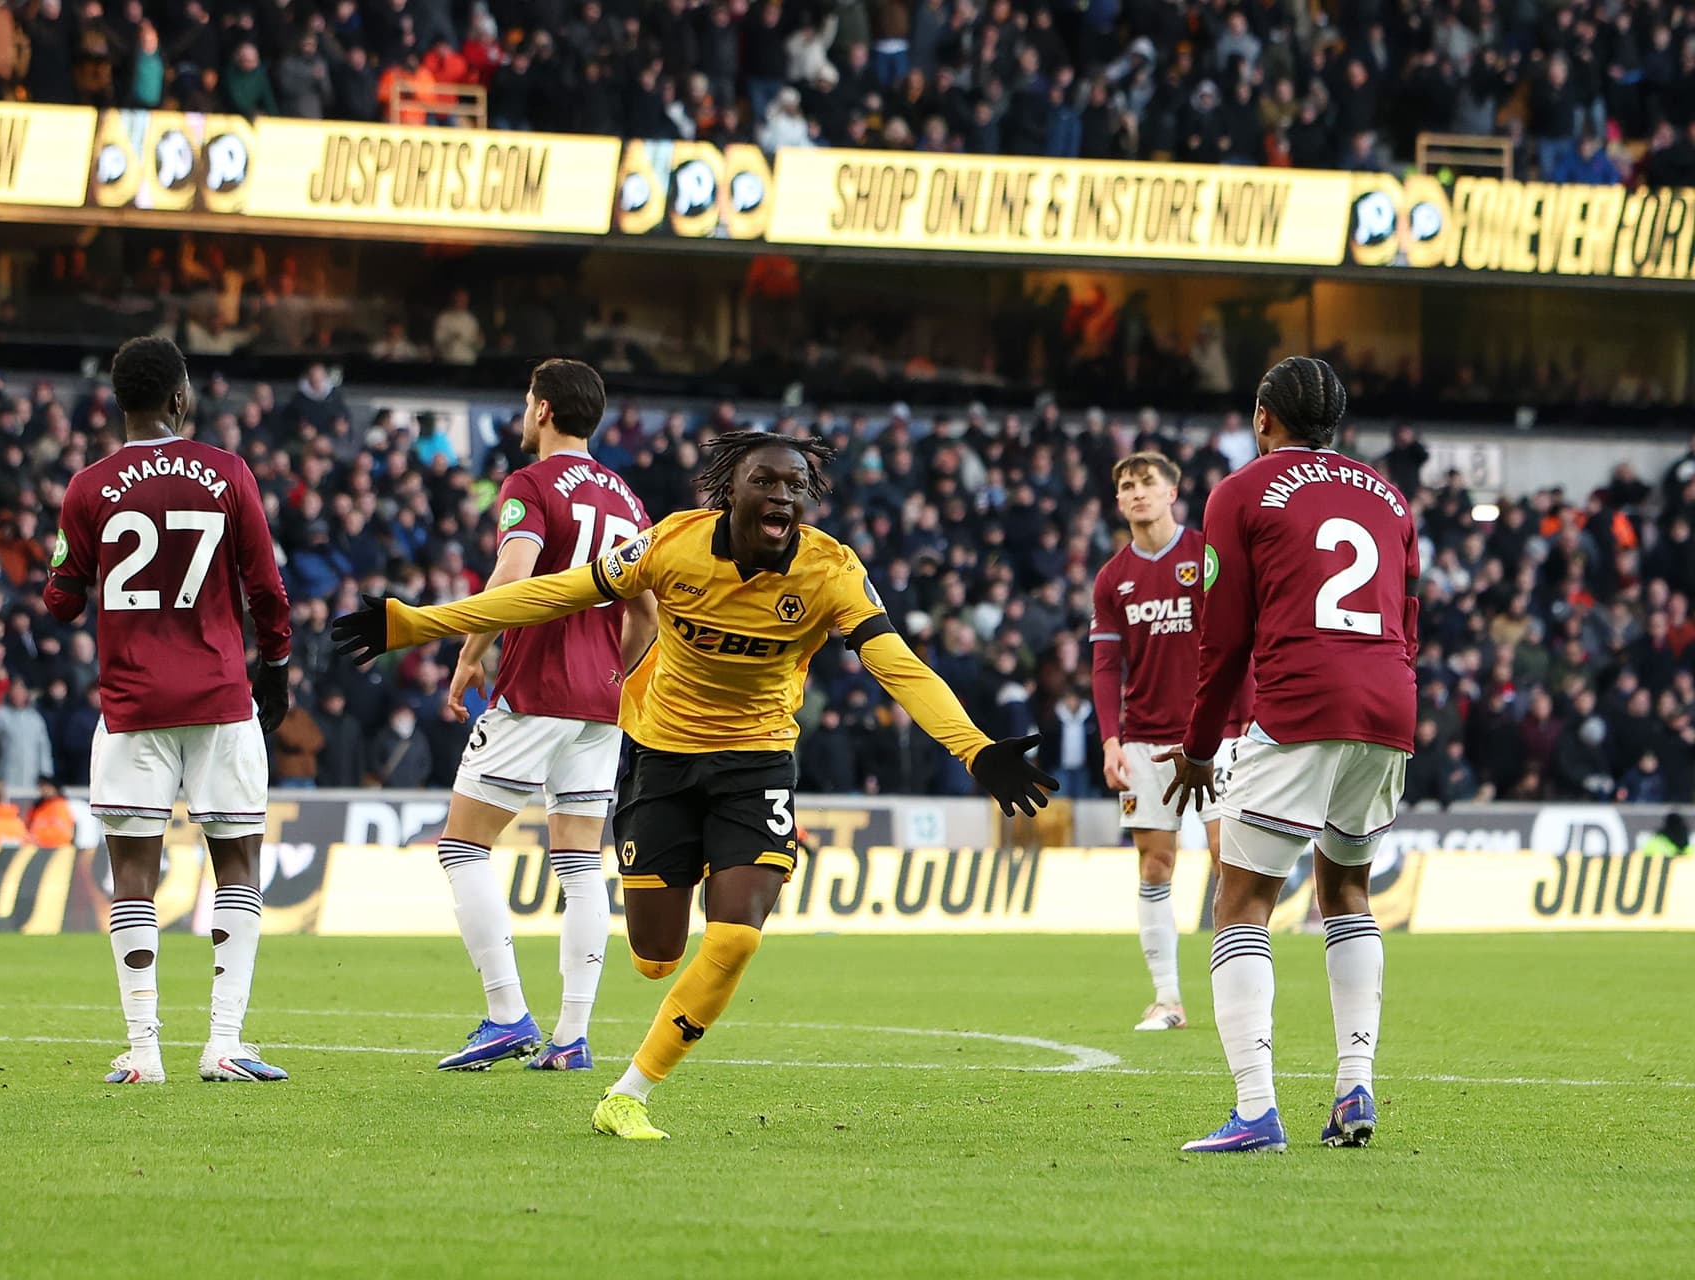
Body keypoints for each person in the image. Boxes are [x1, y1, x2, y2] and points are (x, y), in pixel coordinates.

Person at [334, 431, 1055, 1139]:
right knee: (655, 958)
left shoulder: (831, 570)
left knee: (737, 937)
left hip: (758, 762)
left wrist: (974, 748)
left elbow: (898, 665)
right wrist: (416, 624)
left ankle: (628, 1095)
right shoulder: (671, 545)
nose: (783, 495)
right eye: (765, 481)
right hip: (663, 760)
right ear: (729, 493)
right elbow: (552, 594)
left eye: (796, 485)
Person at [1164, 357, 1418, 1154]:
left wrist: (1199, 745)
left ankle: (1255, 1110)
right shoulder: (1389, 495)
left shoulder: (1239, 493)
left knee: (1241, 901)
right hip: (1388, 704)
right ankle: (1354, 1089)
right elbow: (1409, 615)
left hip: (1302, 700)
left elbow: (1223, 638)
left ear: (1263, 417)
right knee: (1347, 889)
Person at [43, 336, 293, 1087]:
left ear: (119, 403)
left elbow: (60, 601)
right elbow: (266, 589)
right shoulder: (228, 473)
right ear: (180, 398)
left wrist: (69, 567)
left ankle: (144, 1050)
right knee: (238, 860)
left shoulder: (88, 487)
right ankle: (224, 1044)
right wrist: (276, 666)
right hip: (219, 697)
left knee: (133, 873)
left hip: (132, 705)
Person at [428, 359, 655, 1073]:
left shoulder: (530, 484)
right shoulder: (629, 502)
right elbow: (646, 613)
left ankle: (506, 1015)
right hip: (602, 703)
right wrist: (615, 673)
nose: (525, 413)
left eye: (528, 401)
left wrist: (470, 655)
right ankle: (571, 1037)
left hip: (536, 691)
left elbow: (512, 576)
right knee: (580, 863)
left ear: (545, 409)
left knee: (462, 847)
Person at [1090, 452, 1249, 1033]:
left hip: (1216, 735)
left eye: (1147, 482)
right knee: (1156, 865)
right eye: (1126, 486)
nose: (1137, 492)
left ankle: (1236, 995)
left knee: (1228, 860)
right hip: (1144, 741)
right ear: (1118, 500)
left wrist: (1247, 721)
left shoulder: (1205, 557)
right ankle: (1167, 1000)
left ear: (1172, 492)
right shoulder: (1113, 578)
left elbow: (1240, 639)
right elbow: (1106, 665)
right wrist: (1110, 741)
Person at [29, 777, 78, 848]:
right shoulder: (38, 807)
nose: (45, 790)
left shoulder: (64, 804)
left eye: (47, 787)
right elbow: (30, 826)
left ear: (55, 788)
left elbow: (69, 830)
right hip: (38, 847)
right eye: (42, 787)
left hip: (59, 848)